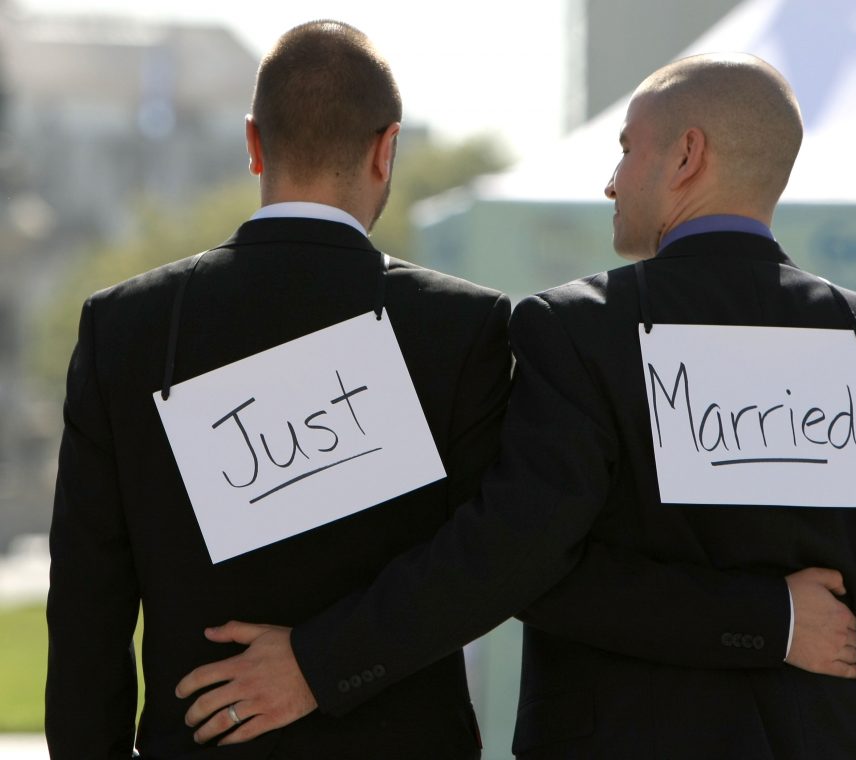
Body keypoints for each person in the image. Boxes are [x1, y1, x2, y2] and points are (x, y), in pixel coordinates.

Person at [174, 52, 856, 758]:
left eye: (628, 149)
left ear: (686, 158)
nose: (609, 179)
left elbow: (523, 566)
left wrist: (321, 661)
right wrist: (770, 619)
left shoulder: (575, 332)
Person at [46, 20, 514, 758]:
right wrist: (328, 662)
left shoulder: (124, 328)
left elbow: (86, 607)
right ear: (388, 148)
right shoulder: (463, 328)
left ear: (253, 142)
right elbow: (487, 564)